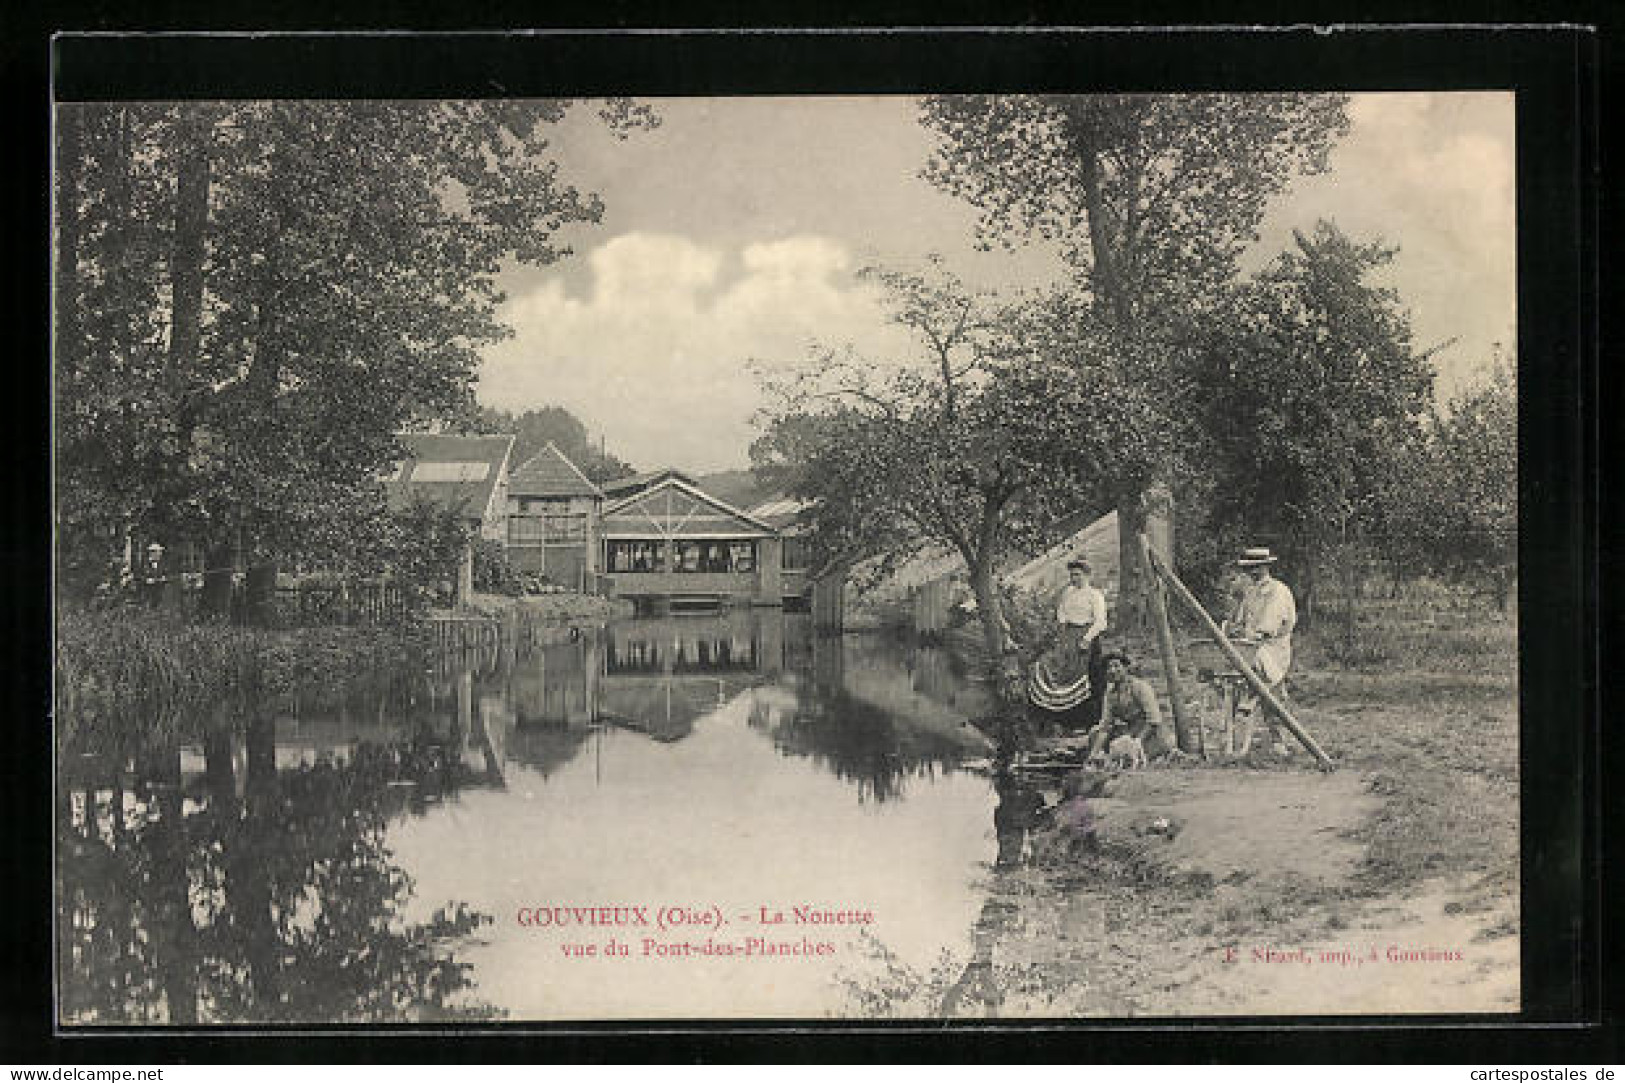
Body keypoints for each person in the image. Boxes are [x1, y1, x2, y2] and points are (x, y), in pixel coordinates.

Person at [1222, 546, 1298, 756]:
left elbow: (1269, 626)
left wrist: (1255, 637)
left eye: (1256, 568)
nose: (1252, 573)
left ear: (1266, 567)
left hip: (1273, 648)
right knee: (1241, 675)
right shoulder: (1251, 591)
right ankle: (1237, 732)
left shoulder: (1278, 591)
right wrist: (1234, 628)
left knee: (1271, 692)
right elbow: (1241, 619)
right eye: (1249, 569)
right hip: (1250, 647)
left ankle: (1278, 740)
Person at [1086, 650, 1177, 760]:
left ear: (1125, 667)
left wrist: (1137, 740)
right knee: (1095, 733)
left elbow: (1154, 720)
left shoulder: (1140, 687)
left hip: (1150, 733)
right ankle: (1096, 759)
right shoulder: (1110, 693)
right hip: (1130, 731)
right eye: (1108, 668)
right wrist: (1093, 753)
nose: (1112, 671)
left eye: (1116, 666)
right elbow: (1105, 726)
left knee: (1132, 754)